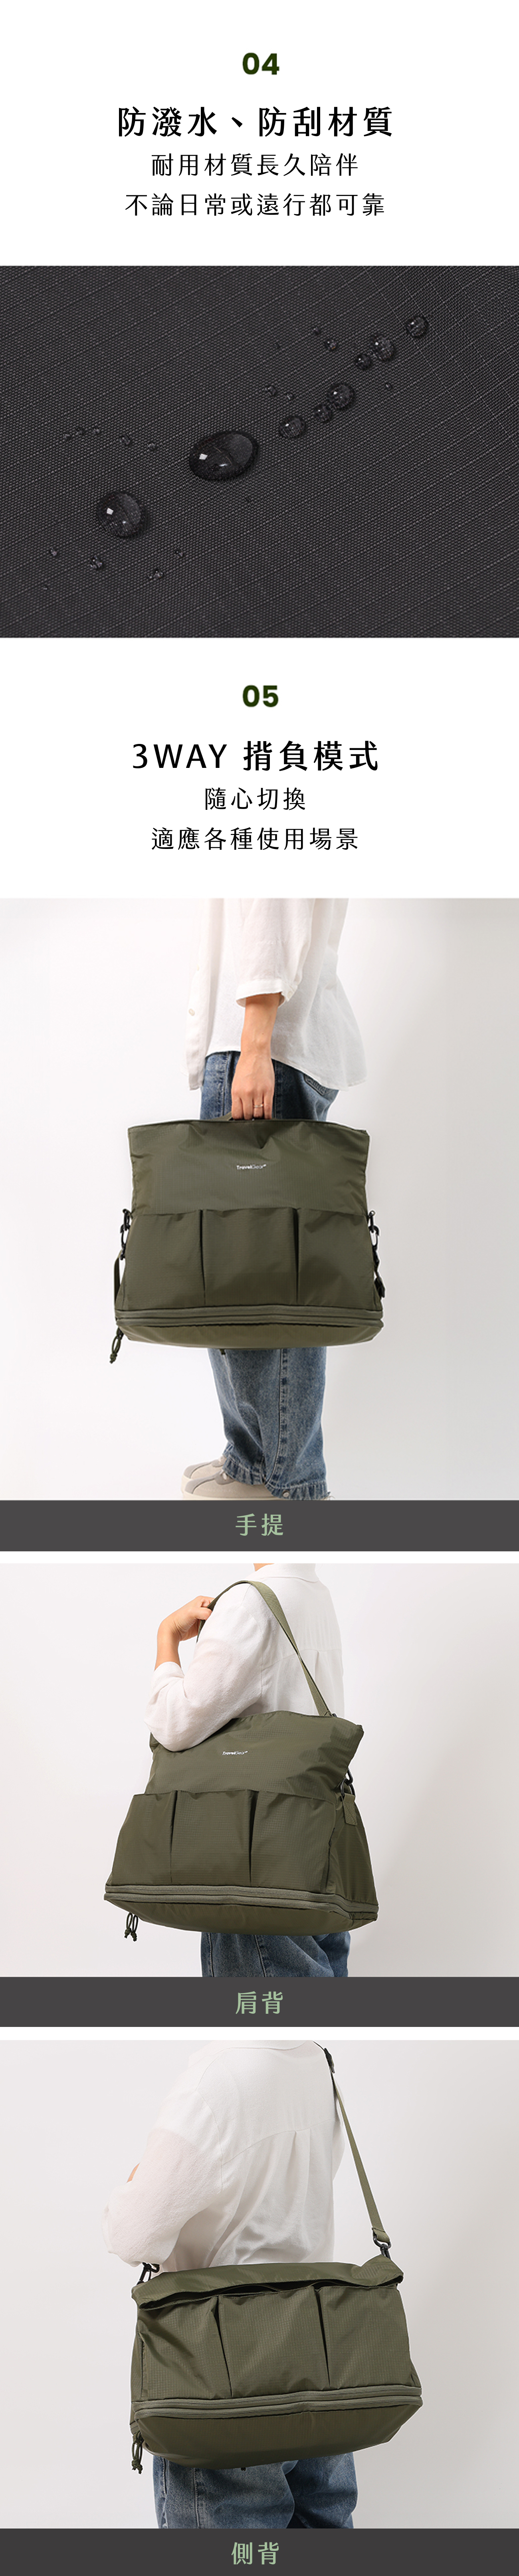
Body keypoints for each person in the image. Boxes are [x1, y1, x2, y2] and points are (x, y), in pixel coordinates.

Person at [102, 2039, 357, 2531]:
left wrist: (134, 2183)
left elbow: (133, 2234)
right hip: (318, 2357)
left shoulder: (213, 2083)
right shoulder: (314, 2060)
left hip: (222, 2372)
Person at [182, 897, 366, 1501]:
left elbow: (270, 904)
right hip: (277, 1044)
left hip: (265, 1050)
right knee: (251, 1276)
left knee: (256, 1283)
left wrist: (255, 1044)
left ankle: (287, 1483)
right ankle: (256, 1465)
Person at [147, 1558, 351, 1979]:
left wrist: (167, 1637)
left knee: (261, 2011)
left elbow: (174, 1724)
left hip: (257, 1845)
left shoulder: (247, 1603)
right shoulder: (314, 1591)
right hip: (320, 1834)